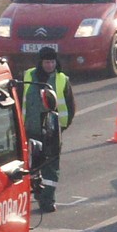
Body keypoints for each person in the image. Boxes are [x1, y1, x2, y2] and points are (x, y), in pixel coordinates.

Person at [19, 46, 74, 212]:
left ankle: (47, 200)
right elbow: (18, 99)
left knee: (51, 168)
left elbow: (70, 106)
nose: (50, 65)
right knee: (33, 167)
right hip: (31, 130)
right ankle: (38, 192)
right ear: (40, 62)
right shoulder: (27, 76)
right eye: (47, 62)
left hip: (52, 133)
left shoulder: (62, 79)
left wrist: (61, 127)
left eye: (52, 62)